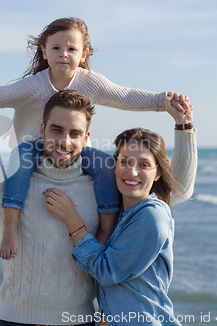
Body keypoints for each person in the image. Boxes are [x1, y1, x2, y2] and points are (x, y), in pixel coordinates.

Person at [0, 88, 196, 326]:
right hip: (15, 320)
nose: (64, 141)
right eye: (56, 130)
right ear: (42, 129)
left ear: (87, 138)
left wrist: (184, 127)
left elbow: (171, 190)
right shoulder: (8, 177)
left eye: (74, 133)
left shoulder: (107, 187)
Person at [0, 17, 191, 260]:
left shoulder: (91, 82)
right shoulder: (33, 85)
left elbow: (124, 96)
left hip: (74, 151)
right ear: (44, 52)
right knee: (19, 158)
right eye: (56, 47)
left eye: (71, 48)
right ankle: (10, 227)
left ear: (83, 54)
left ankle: (106, 230)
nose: (63, 54)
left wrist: (162, 102)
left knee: (104, 164)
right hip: (32, 146)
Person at [44, 98, 196, 326]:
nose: (132, 172)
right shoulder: (122, 210)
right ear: (114, 166)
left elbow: (107, 270)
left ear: (157, 174)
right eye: (124, 161)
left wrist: (72, 219)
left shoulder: (152, 216)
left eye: (144, 165)